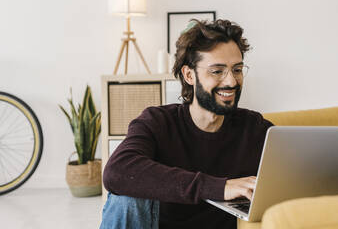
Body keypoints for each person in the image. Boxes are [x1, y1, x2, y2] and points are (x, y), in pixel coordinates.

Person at [100, 19, 274, 229]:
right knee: (126, 198)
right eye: (217, 71)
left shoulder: (255, 128)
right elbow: (117, 172)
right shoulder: (157, 122)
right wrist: (219, 187)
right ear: (189, 75)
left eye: (237, 70)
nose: (231, 81)